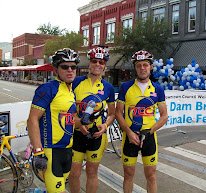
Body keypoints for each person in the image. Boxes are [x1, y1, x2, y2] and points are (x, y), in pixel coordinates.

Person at [27, 48, 80, 193]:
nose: (70, 70)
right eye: (65, 66)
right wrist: (38, 151)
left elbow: (68, 120)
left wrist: (83, 124)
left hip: (67, 150)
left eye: (73, 67)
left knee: (59, 188)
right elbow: (32, 119)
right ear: (55, 70)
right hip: (50, 151)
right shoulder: (47, 89)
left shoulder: (71, 91)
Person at [115, 50, 168, 193]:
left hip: (149, 138)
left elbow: (164, 116)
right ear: (135, 67)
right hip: (129, 137)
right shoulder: (125, 87)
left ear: (151, 67)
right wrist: (129, 132)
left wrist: (149, 132)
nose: (142, 68)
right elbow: (118, 112)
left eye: (145, 65)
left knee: (151, 176)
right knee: (128, 175)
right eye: (139, 65)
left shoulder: (158, 89)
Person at [68, 47, 116, 193]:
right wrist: (78, 122)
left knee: (91, 172)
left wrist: (105, 126)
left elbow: (112, 114)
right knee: (74, 173)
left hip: (97, 135)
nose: (97, 64)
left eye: (101, 62)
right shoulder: (75, 82)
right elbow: (67, 108)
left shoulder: (108, 88)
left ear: (105, 66)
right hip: (77, 133)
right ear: (89, 63)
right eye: (94, 61)